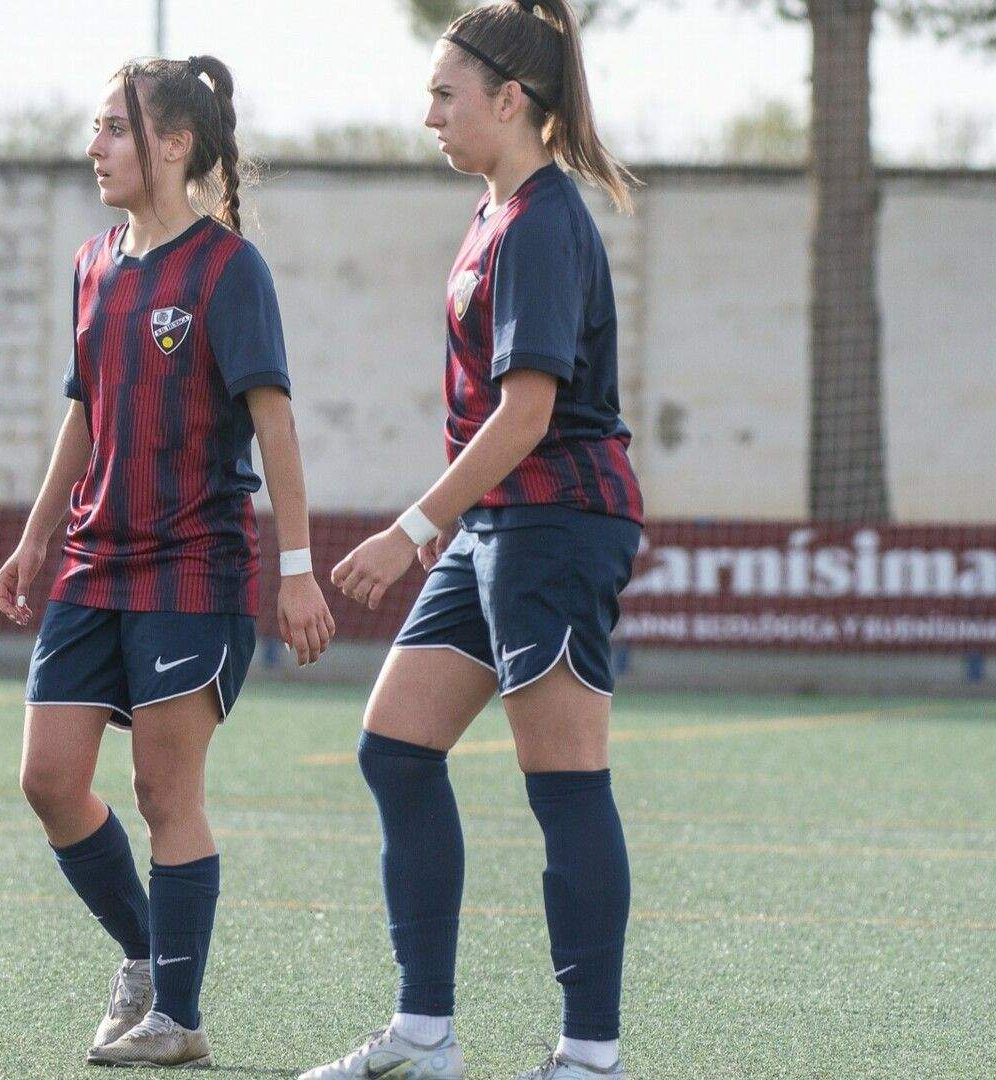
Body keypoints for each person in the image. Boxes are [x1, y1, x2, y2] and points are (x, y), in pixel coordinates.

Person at [299, 2, 644, 1077]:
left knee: (563, 781)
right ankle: (423, 1036)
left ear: (511, 101)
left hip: (556, 525)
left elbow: (529, 413)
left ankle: (589, 1056)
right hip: (498, 526)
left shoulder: (545, 220)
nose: (429, 115)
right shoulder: (496, 213)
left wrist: (410, 530)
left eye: (447, 95)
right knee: (396, 750)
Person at [0, 54, 336, 1070]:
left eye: (112, 127)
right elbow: (84, 410)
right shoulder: (92, 262)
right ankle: (147, 957)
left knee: (162, 791)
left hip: (196, 566)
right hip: (95, 563)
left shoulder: (231, 271)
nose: (93, 145)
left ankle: (177, 1021)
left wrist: (299, 566)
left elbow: (275, 424)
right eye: (96, 128)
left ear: (174, 143)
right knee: (49, 781)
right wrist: (35, 531)